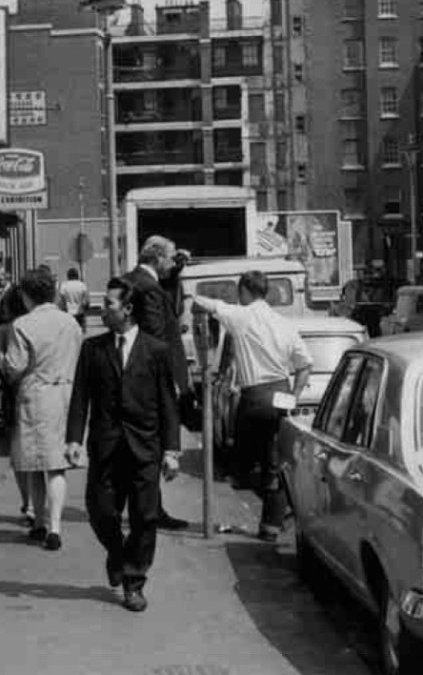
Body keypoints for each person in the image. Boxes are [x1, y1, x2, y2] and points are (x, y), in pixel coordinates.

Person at [66, 276, 180, 612]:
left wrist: (171, 451)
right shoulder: (93, 348)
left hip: (145, 447)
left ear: (127, 309)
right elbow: (79, 397)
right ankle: (118, 554)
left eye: (109, 304)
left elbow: (167, 404)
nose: (102, 310)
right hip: (105, 446)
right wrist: (74, 438)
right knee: (100, 510)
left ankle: (133, 582)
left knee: (145, 517)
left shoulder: (155, 351)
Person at [192, 271, 313, 543]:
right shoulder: (284, 324)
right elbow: (305, 365)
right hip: (281, 393)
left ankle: (254, 497)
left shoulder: (241, 316)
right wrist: (293, 394)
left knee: (243, 461)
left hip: (254, 395)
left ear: (245, 290)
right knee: (275, 461)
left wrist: (193, 303)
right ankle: (271, 524)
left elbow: (205, 303)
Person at [2, 269, 84, 551]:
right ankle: (56, 526)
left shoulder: (22, 324)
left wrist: (3, 362)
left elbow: (15, 367)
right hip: (67, 395)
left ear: (26, 295)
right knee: (56, 464)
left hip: (36, 396)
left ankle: (39, 522)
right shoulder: (71, 323)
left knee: (33, 463)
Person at [124, 235, 190, 531]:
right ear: (156, 257)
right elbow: (156, 337)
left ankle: (151, 506)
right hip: (152, 378)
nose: (172, 262)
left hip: (135, 376)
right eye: (169, 257)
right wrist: (168, 381)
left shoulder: (133, 280)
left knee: (144, 444)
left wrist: (176, 271)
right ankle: (149, 511)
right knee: (153, 443)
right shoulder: (148, 288)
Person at [0, 284, 34, 525]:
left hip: (9, 400)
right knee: (38, 453)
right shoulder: (33, 329)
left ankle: (28, 503)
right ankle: (38, 504)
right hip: (36, 395)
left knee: (19, 455)